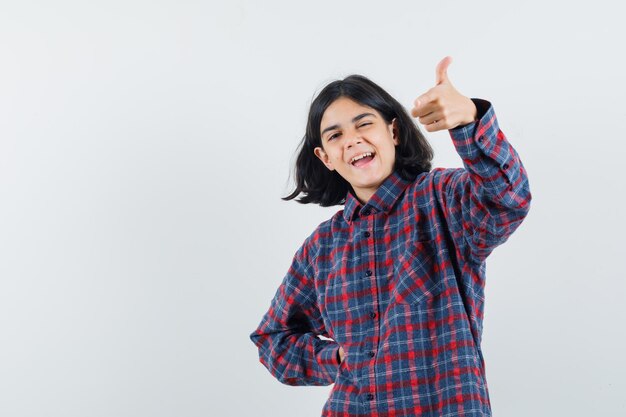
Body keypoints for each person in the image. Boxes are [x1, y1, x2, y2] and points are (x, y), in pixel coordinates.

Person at [249, 56, 531, 417]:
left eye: (363, 124)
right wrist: (333, 357)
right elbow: (273, 340)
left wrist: (469, 120)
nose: (352, 141)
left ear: (393, 133)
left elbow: (508, 200)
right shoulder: (321, 248)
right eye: (335, 135)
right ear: (326, 157)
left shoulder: (441, 199)